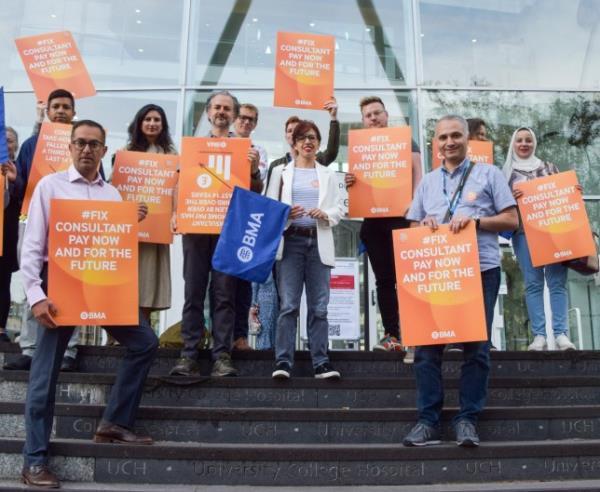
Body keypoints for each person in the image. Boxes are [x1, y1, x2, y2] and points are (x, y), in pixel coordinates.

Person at [20, 120, 158, 488]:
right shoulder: (50, 186)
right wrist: (36, 296)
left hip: (100, 286)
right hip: (58, 290)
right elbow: (32, 247)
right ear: (69, 147)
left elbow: (109, 246)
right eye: (80, 142)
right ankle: (34, 462)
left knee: (145, 342)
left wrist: (129, 222)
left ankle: (114, 422)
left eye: (93, 144)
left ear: (103, 149)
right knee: (44, 377)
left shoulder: (112, 195)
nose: (85, 149)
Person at [402, 115, 517, 447]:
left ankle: (467, 419)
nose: (449, 142)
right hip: (436, 273)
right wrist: (423, 225)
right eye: (442, 138)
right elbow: (412, 230)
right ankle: (427, 421)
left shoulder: (489, 173)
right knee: (426, 351)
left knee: (476, 350)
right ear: (435, 143)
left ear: (467, 139)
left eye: (455, 136)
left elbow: (512, 219)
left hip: (480, 270)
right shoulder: (426, 182)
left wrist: (476, 222)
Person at [170, 90, 263, 377]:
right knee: (193, 291)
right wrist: (176, 212)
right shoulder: (194, 148)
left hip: (229, 230)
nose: (221, 112)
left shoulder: (244, 150)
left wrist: (254, 169)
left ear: (234, 116)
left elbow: (254, 192)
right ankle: (189, 354)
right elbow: (179, 183)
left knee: (225, 294)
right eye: (217, 107)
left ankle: (222, 355)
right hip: (196, 227)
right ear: (209, 113)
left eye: (227, 108)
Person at [4, 89, 83, 371]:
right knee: (31, 281)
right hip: (32, 217)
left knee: (71, 283)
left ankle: (68, 351)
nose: (61, 110)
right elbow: (22, 183)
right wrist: (14, 179)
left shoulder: (82, 142)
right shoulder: (31, 144)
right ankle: (29, 348)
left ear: (74, 112)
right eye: (56, 106)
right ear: (47, 111)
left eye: (66, 106)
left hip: (71, 220)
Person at [266, 120, 343, 379]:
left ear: (318, 143)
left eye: (313, 138)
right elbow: (269, 209)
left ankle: (321, 362)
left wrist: (325, 214)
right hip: (291, 242)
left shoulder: (328, 174)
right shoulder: (280, 173)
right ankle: (283, 362)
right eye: (302, 138)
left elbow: (338, 209)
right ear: (294, 144)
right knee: (288, 305)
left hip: (317, 241)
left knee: (319, 307)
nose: (308, 142)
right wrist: (286, 214)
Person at [345, 96, 423, 354]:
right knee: (384, 281)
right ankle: (392, 335)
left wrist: (416, 212)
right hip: (373, 223)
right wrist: (350, 182)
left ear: (386, 115)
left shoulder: (404, 141)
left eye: (377, 113)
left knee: (408, 279)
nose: (374, 118)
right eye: (369, 115)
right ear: (364, 121)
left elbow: (418, 176)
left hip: (402, 219)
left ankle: (418, 334)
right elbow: (358, 185)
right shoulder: (359, 147)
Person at [503, 127, 577, 351]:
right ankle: (539, 336)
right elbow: (499, 205)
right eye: (519, 140)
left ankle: (561, 335)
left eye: (528, 140)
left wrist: (573, 191)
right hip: (524, 234)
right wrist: (510, 197)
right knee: (533, 284)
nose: (524, 144)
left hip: (552, 233)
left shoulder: (549, 167)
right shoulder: (506, 172)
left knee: (557, 283)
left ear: (534, 143)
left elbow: (562, 195)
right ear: (513, 145)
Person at [123, 104, 176, 322]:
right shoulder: (126, 152)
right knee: (124, 280)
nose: (152, 124)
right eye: (148, 119)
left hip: (156, 229)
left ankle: (141, 328)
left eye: (157, 120)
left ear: (163, 125)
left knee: (148, 280)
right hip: (129, 229)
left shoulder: (172, 155)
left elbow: (177, 189)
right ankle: (114, 335)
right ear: (139, 122)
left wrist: (175, 214)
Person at [229, 102, 268, 351]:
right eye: (242, 117)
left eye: (250, 119)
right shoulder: (216, 142)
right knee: (216, 285)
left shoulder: (259, 150)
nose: (245, 122)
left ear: (255, 124)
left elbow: (259, 186)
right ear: (234, 119)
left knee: (242, 283)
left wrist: (253, 167)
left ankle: (240, 336)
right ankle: (216, 335)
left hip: (243, 220)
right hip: (212, 217)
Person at [266, 97, 340, 186]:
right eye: (289, 131)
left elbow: (331, 152)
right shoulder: (276, 166)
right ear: (286, 136)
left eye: (297, 130)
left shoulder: (317, 160)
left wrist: (333, 119)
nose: (293, 133)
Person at [0, 127, 20, 342]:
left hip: (6, 234)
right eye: (2, 140)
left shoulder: (18, 168)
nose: (6, 144)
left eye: (10, 141)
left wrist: (14, 180)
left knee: (3, 281)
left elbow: (26, 195)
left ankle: (1, 328)